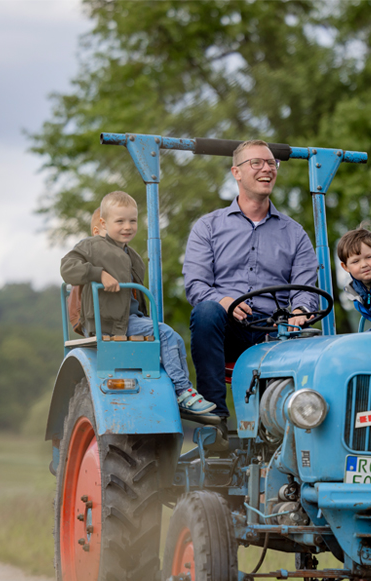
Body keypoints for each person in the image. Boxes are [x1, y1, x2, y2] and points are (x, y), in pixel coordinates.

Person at [183, 139, 319, 419]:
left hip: (276, 332)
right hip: (228, 330)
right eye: (256, 163)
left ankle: (300, 420)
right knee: (206, 310)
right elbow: (196, 285)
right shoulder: (208, 227)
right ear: (236, 172)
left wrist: (300, 311)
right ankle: (214, 419)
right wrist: (224, 301)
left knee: (316, 340)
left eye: (271, 163)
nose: (266, 169)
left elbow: (307, 290)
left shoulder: (295, 234)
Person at [61, 190, 218, 423]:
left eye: (132, 221)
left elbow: (137, 298)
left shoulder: (132, 255)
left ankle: (184, 392)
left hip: (130, 319)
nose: (127, 226)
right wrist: (98, 274)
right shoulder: (92, 246)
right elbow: (67, 268)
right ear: (103, 223)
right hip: (108, 322)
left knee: (172, 337)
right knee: (164, 333)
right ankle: (182, 390)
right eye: (120, 221)